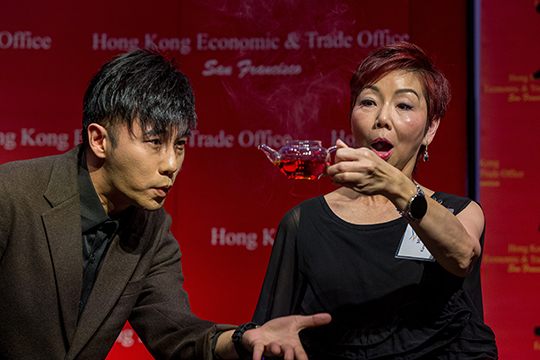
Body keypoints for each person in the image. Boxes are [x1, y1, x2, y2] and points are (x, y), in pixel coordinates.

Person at [0, 49, 331, 360]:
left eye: (180, 144)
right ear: (99, 140)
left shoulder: (152, 230)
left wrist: (243, 338)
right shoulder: (11, 194)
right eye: (155, 142)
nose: (171, 164)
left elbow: (176, 333)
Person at [252, 42, 498, 359]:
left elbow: (462, 256)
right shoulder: (303, 222)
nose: (382, 118)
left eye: (404, 106)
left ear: (430, 129)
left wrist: (396, 187)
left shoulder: (459, 211)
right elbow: (269, 338)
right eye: (368, 102)